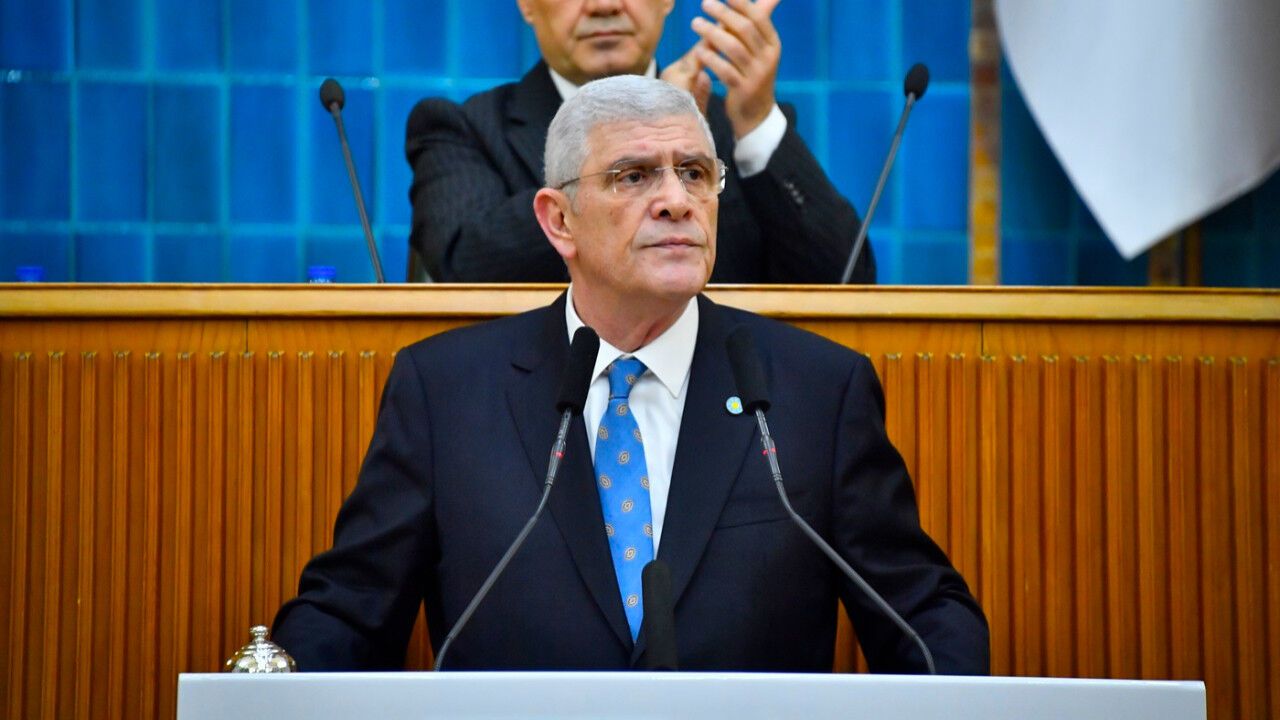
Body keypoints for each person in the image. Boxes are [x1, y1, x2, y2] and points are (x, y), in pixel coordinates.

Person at [275, 76, 986, 673]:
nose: (677, 199)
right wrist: (271, 685)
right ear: (559, 221)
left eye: (695, 173)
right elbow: (351, 612)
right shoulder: (446, 393)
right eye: (634, 175)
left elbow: (924, 616)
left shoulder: (817, 391)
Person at [405, 0, 877, 284]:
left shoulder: (731, 127)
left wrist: (755, 122)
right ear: (527, 4)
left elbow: (845, 281)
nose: (605, 6)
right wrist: (634, 131)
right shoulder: (461, 128)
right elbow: (464, 268)